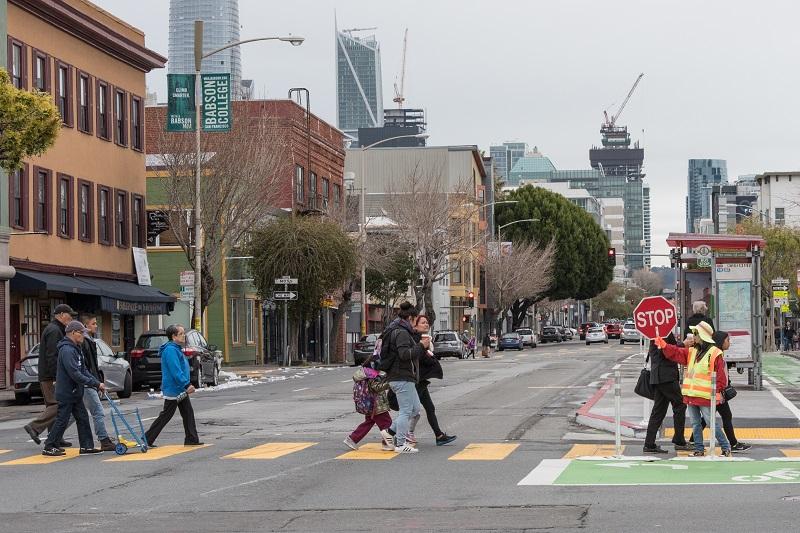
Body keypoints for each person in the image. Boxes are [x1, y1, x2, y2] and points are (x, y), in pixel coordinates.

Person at [655, 321, 731, 457]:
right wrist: (664, 345)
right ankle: (699, 449)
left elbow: (721, 377)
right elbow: (677, 353)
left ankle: (725, 447)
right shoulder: (693, 351)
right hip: (691, 395)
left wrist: (718, 392)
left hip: (706, 396)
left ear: (702, 335)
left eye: (695, 334)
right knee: (696, 424)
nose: (693, 336)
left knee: (710, 423)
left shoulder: (715, 353)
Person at [42, 321, 105, 456]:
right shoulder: (67, 350)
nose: (83, 336)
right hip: (67, 391)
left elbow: (84, 370)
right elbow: (74, 373)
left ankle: (86, 446)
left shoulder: (76, 348)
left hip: (75, 391)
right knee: (62, 419)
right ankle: (49, 445)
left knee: (82, 418)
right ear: (73, 333)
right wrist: (94, 384)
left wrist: (97, 383)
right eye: (81, 333)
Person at [24, 304, 75, 448]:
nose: (71, 318)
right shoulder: (54, 330)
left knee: (53, 406)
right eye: (69, 315)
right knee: (58, 405)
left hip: (47, 375)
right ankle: (34, 427)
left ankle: (55, 437)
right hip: (50, 376)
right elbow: (52, 356)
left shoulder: (55, 328)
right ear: (62, 314)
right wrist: (56, 378)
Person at [144, 324, 202, 447]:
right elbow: (175, 370)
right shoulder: (170, 350)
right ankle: (146, 439)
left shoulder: (175, 348)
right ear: (173, 336)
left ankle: (191, 439)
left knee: (187, 413)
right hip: (174, 389)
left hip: (179, 388)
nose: (184, 336)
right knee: (167, 415)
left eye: (183, 333)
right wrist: (186, 384)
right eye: (181, 334)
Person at [406, 314, 457, 447]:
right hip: (416, 380)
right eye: (423, 322)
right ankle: (392, 433)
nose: (426, 324)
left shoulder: (425, 339)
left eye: (427, 322)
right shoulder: (416, 339)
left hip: (421, 380)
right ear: (415, 326)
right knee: (410, 410)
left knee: (429, 407)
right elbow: (419, 358)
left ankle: (439, 436)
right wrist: (430, 358)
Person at [382, 302, 426, 454]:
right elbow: (404, 354)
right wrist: (421, 346)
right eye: (415, 320)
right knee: (406, 411)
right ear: (410, 318)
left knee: (415, 409)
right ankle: (400, 443)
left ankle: (389, 433)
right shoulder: (401, 332)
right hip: (401, 376)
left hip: (404, 377)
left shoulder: (402, 330)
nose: (416, 323)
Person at [642, 333, 690, 454]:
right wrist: (683, 344)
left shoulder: (657, 331)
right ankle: (679, 441)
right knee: (680, 405)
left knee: (658, 411)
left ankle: (649, 444)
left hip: (660, 376)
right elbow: (665, 351)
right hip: (666, 376)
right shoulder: (662, 331)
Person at [79, 314, 116, 452]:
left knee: (73, 413)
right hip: (87, 382)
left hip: (89, 381)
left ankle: (52, 437)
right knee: (98, 411)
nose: (96, 326)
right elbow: (86, 367)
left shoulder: (90, 341)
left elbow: (92, 366)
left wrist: (98, 381)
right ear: (85, 326)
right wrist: (95, 382)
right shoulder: (84, 342)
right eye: (93, 323)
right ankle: (104, 440)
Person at [344, 366, 394, 451]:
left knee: (368, 423)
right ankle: (386, 443)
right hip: (376, 405)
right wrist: (389, 383)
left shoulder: (366, 373)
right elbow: (376, 387)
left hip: (369, 404)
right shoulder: (372, 374)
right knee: (386, 423)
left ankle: (352, 439)